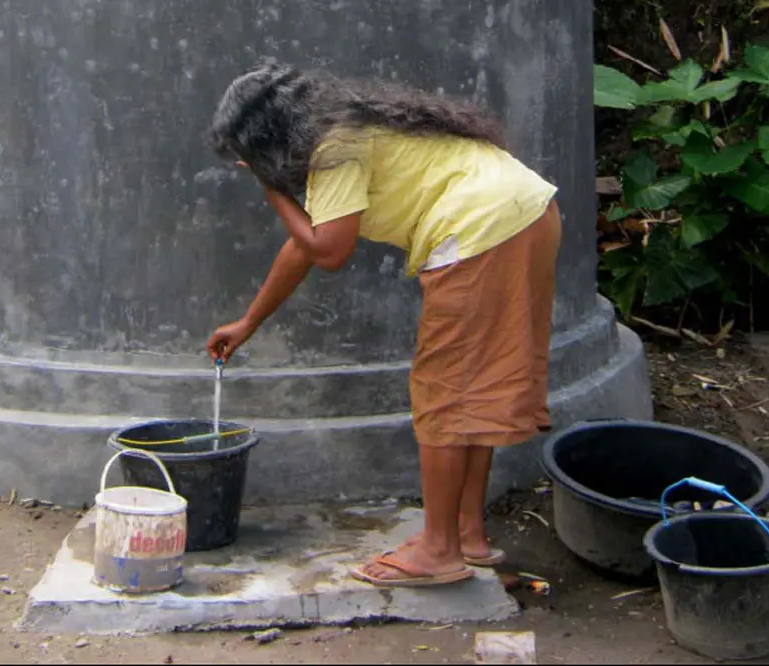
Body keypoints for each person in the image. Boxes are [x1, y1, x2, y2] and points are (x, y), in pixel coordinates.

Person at [205, 61, 561, 589]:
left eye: (249, 152)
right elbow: (304, 246)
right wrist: (250, 321)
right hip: (528, 212)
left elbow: (327, 251)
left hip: (478, 232)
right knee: (473, 383)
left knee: (442, 390)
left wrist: (268, 185)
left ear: (265, 140)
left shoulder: (333, 151)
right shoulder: (357, 125)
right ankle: (466, 534)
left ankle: (439, 550)